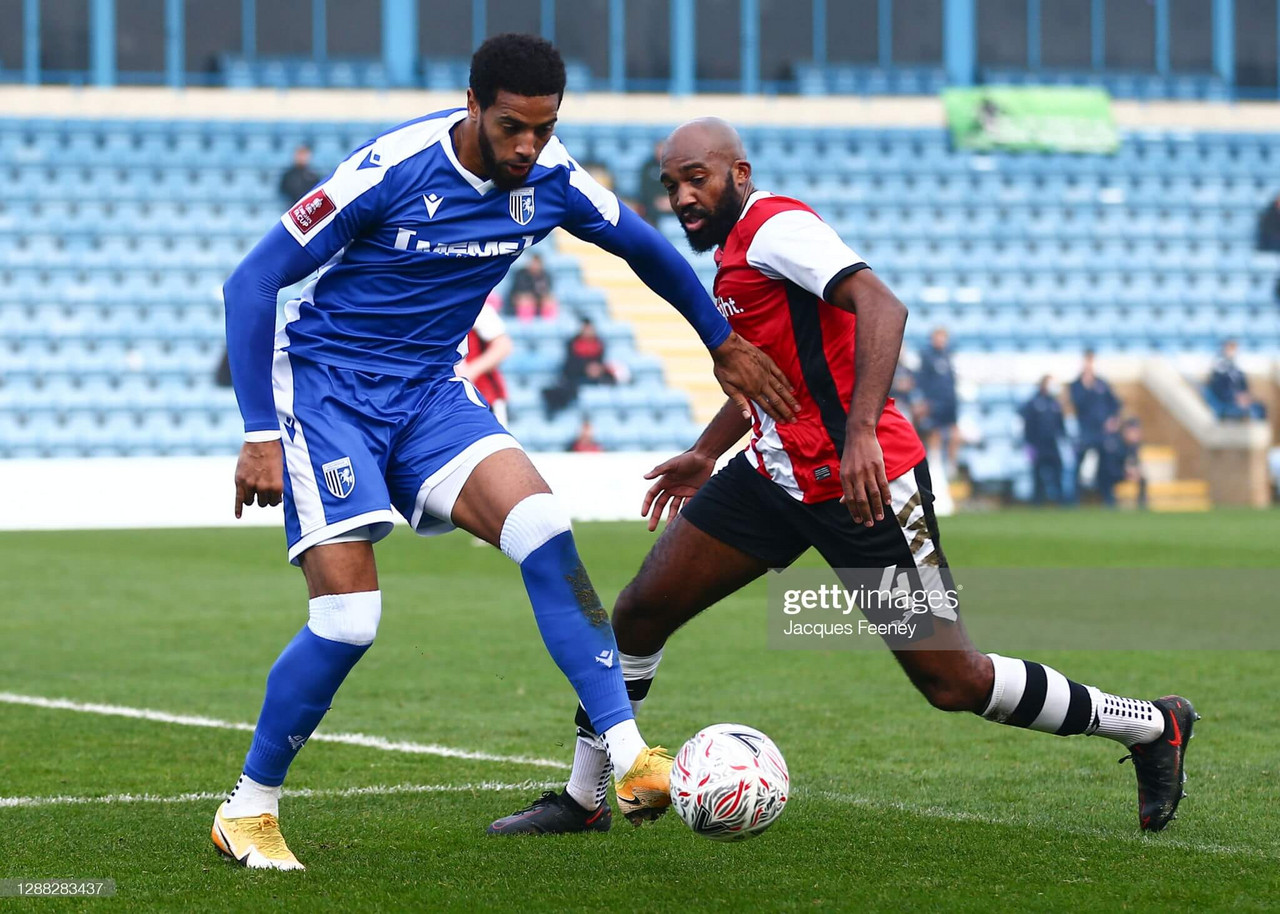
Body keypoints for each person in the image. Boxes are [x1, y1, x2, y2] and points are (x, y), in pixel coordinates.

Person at [490, 117, 1197, 838]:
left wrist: (860, 432)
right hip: (774, 479)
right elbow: (772, 378)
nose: (682, 197)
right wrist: (707, 452)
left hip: (866, 488)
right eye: (671, 185)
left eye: (696, 179)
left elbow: (882, 305)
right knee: (640, 612)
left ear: (740, 172)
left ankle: (1149, 725)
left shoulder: (775, 228)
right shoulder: (733, 255)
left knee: (953, 681)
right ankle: (584, 799)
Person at [216, 35, 798, 870]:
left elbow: (644, 247)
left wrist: (718, 341)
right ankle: (249, 809)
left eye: (544, 127)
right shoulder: (391, 169)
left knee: (545, 532)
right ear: (472, 105)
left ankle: (629, 755)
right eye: (512, 127)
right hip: (330, 395)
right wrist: (259, 433)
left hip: (428, 394)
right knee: (348, 622)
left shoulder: (553, 175)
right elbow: (251, 281)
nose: (528, 146)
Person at [1069, 349, 1121, 502]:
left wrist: (1113, 420)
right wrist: (1087, 384)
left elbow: (1114, 404)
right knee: (1079, 465)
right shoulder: (1076, 385)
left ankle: (1107, 497)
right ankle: (1074, 499)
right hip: (1085, 431)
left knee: (1105, 466)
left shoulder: (1102, 383)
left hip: (1102, 432)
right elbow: (1078, 402)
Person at [456, 292, 513, 427]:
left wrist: (469, 372)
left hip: (484, 397)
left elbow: (503, 346)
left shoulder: (476, 306)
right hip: (453, 400)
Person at [542, 317, 614, 415]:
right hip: (576, 377)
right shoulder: (573, 343)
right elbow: (570, 364)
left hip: (594, 377)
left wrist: (597, 369)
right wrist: (586, 368)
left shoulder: (599, 344)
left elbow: (600, 362)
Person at [915, 327, 959, 474]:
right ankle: (935, 461)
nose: (941, 340)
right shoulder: (927, 356)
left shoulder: (948, 355)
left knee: (954, 431)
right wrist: (925, 399)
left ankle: (952, 465)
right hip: (934, 400)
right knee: (935, 431)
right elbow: (921, 379)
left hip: (950, 400)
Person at [1019, 375, 1066, 505]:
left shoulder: (1055, 403)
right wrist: (1029, 444)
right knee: (1037, 476)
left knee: (1058, 473)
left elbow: (1060, 424)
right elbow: (1027, 424)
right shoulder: (1033, 403)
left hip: (1053, 444)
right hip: (1038, 444)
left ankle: (1060, 501)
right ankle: (1037, 502)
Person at [1207, 339, 1266, 420]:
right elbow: (1218, 388)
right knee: (1239, 409)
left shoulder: (1237, 369)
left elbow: (1244, 386)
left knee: (1259, 407)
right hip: (1227, 401)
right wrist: (1235, 397)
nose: (1233, 351)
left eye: (1234, 349)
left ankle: (1257, 430)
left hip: (1240, 399)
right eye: (1230, 348)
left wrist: (1246, 396)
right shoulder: (1219, 368)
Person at [508, 252, 559, 320]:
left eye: (537, 264)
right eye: (533, 263)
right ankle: (525, 324)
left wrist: (544, 297)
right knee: (526, 302)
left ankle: (549, 324)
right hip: (521, 300)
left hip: (538, 300)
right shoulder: (521, 274)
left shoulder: (545, 275)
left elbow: (547, 292)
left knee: (549, 301)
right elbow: (517, 293)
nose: (535, 266)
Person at [633, 141, 673, 226]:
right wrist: (657, 201)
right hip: (652, 205)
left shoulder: (675, 166)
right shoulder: (647, 166)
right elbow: (644, 189)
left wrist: (670, 201)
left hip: (672, 202)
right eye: (659, 148)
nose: (661, 152)